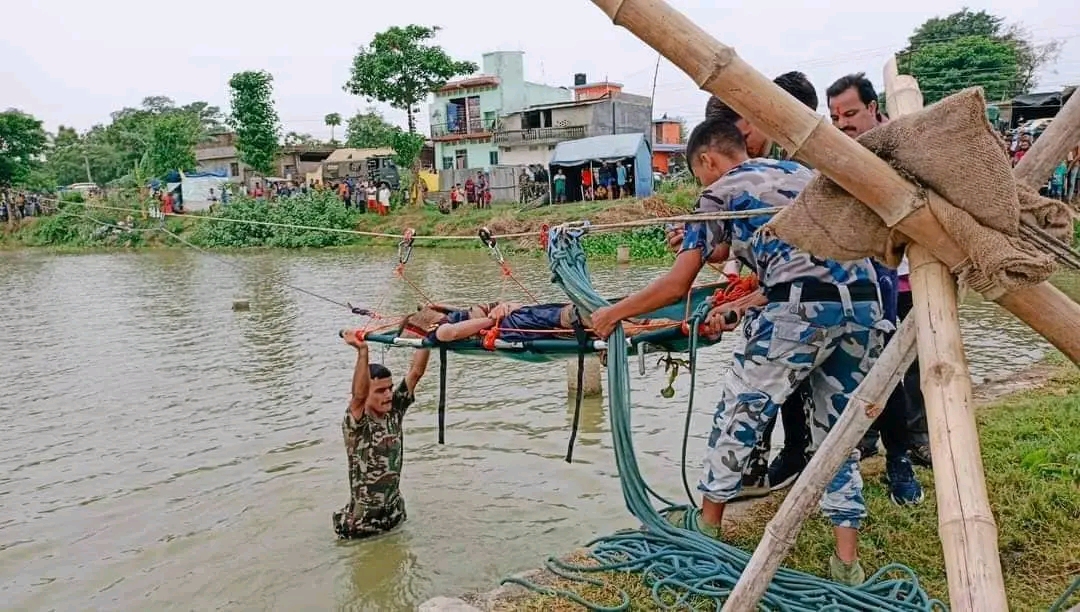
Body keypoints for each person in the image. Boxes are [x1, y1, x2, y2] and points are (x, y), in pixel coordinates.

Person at [591, 117, 886, 585]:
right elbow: (772, 249)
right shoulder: (798, 173)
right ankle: (846, 563)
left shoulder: (719, 190)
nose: (701, 184)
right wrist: (705, 242)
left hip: (795, 314)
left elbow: (676, 285)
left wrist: (613, 314)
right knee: (839, 434)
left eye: (697, 174)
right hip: (865, 309)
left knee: (737, 418)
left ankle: (707, 535)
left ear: (708, 160)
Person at [700, 71, 821, 498]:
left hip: (799, 303)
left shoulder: (802, 169)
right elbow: (764, 256)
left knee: (748, 401)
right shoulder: (783, 172)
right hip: (805, 299)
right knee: (787, 388)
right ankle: (765, 470)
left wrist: (618, 313)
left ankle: (711, 521)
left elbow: (791, 268)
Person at [828, 73, 929, 495]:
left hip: (913, 277)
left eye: (850, 113)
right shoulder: (840, 157)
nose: (843, 123)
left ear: (873, 107)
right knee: (871, 371)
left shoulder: (908, 148)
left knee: (917, 369)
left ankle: (906, 452)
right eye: (835, 117)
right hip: (865, 284)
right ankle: (876, 441)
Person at [333, 330, 431, 539]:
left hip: (394, 514)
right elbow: (358, 396)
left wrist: (428, 337)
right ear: (366, 392)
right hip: (364, 524)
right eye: (380, 391)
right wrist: (362, 351)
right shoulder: (357, 425)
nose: (388, 395)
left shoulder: (394, 412)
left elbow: (416, 372)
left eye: (390, 388)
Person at [401, 301, 677, 344]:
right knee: (584, 319)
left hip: (522, 316)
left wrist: (505, 305)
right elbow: (449, 334)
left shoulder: (451, 314)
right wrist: (490, 316)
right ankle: (657, 325)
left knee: (588, 313)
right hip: (517, 325)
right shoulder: (442, 329)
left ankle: (652, 321)